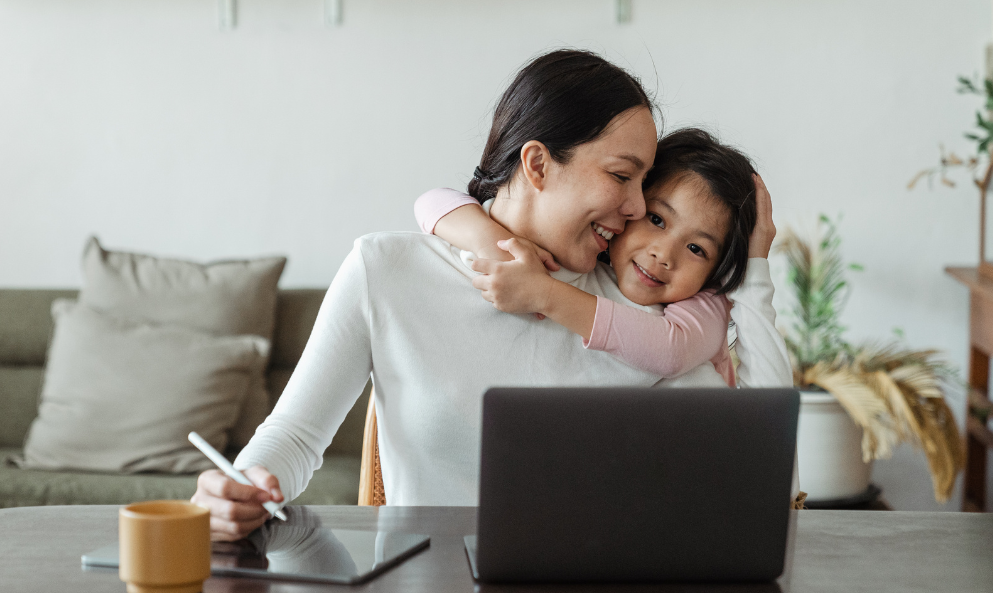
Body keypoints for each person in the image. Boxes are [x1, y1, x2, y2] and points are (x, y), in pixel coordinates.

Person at [192, 49, 793, 541]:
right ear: (537, 164)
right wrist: (241, 484)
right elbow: (295, 437)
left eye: (644, 184)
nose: (637, 208)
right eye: (620, 176)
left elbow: (760, 467)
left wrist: (757, 269)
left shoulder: (647, 311)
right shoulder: (386, 271)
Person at [414, 128, 765, 387]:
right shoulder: (592, 256)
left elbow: (670, 351)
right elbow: (431, 200)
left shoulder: (708, 303)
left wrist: (544, 294)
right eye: (656, 219)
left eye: (696, 249)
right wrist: (493, 242)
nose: (663, 254)